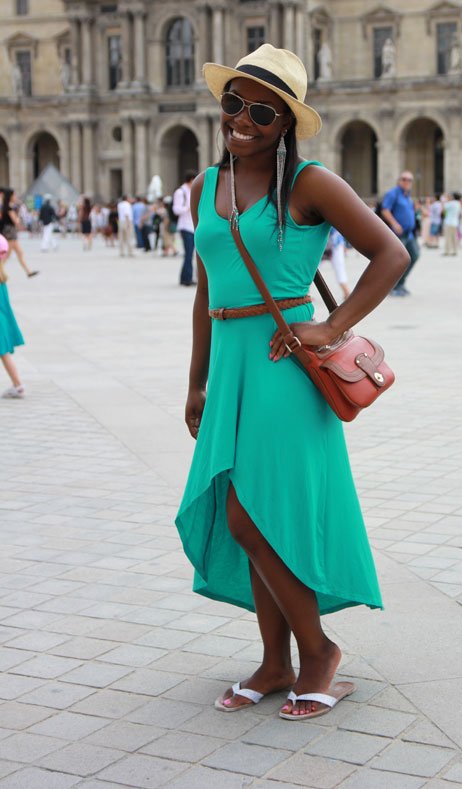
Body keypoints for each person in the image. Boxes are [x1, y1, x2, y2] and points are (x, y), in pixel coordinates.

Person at [175, 44, 409, 721]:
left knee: (254, 514)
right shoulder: (203, 187)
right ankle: (275, 661)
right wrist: (195, 382)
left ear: (286, 123)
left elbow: (391, 253)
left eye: (262, 111)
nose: (242, 119)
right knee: (245, 513)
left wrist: (331, 327)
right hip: (231, 362)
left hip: (282, 364)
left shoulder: (309, 182)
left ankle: (319, 652)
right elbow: (205, 292)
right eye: (234, 103)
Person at [380, 171, 418, 296]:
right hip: (398, 234)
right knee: (398, 260)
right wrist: (395, 224)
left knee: (414, 255)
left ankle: (400, 283)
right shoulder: (393, 193)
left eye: (409, 180)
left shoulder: (408, 195)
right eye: (404, 179)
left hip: (409, 233)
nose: (407, 182)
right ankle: (393, 286)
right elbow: (385, 210)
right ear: (399, 180)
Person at [0, 234, 25, 399]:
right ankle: (18, 385)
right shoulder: (2, 278)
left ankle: (18, 384)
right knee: (4, 353)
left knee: (4, 353)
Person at [0, 189, 38, 278]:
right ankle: (1, 272)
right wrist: (19, 214)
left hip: (11, 233)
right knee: (6, 255)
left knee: (19, 253)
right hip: (9, 233)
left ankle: (28, 272)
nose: (16, 197)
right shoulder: (9, 209)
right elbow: (16, 221)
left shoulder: (9, 207)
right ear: (11, 196)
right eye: (14, 195)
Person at [173, 170, 197, 286]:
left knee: (190, 254)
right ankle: (187, 279)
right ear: (192, 179)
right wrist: (188, 208)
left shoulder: (191, 191)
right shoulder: (180, 192)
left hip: (192, 226)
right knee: (189, 254)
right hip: (185, 226)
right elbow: (176, 209)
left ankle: (185, 277)